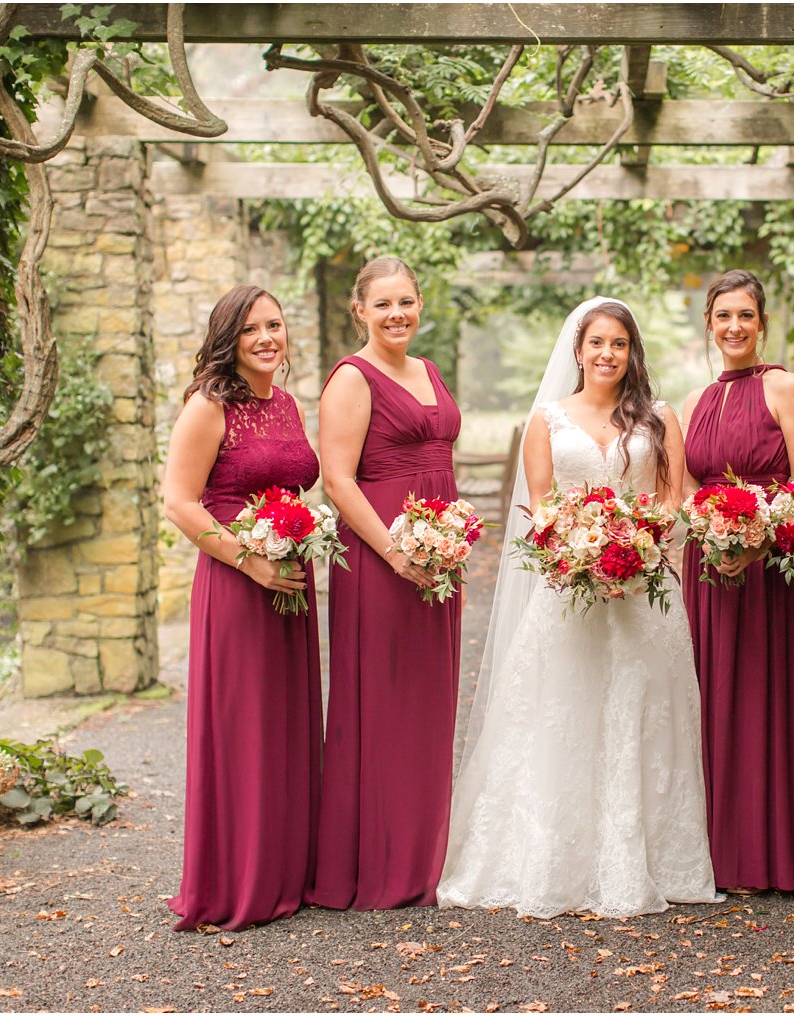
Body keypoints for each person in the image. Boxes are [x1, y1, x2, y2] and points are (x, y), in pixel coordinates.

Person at [437, 298, 720, 919]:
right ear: (577, 348)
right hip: (570, 590)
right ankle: (550, 861)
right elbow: (540, 508)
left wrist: (636, 550)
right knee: (562, 710)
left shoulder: (660, 418)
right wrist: (583, 555)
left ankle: (644, 859)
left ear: (631, 351)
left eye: (619, 344)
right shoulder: (547, 418)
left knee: (639, 713)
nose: (607, 354)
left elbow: (672, 504)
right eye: (597, 343)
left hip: (645, 590)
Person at [162, 285, 321, 931]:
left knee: (285, 724)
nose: (267, 339)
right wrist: (247, 559)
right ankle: (237, 882)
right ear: (229, 337)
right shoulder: (208, 405)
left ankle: (287, 870)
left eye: (275, 326)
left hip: (289, 576)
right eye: (252, 328)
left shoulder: (285, 403)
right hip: (237, 580)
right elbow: (178, 501)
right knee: (243, 726)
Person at [308, 257, 462, 911]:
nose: (397, 314)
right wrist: (398, 552)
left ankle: (424, 857)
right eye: (384, 304)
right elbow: (338, 479)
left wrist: (447, 538)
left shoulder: (428, 372)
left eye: (407, 302)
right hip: (381, 557)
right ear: (360, 311)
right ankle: (378, 864)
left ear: (420, 304)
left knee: (429, 702)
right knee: (383, 702)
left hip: (438, 556)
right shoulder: (351, 377)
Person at [680, 270, 794, 892]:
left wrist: (758, 539)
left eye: (745, 315)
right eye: (722, 317)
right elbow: (683, 484)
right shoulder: (694, 402)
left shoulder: (785, 387)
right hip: (707, 566)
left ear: (761, 321)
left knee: (764, 696)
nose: (734, 327)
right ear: (708, 325)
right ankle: (710, 852)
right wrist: (708, 530)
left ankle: (770, 851)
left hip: (766, 570)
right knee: (708, 698)